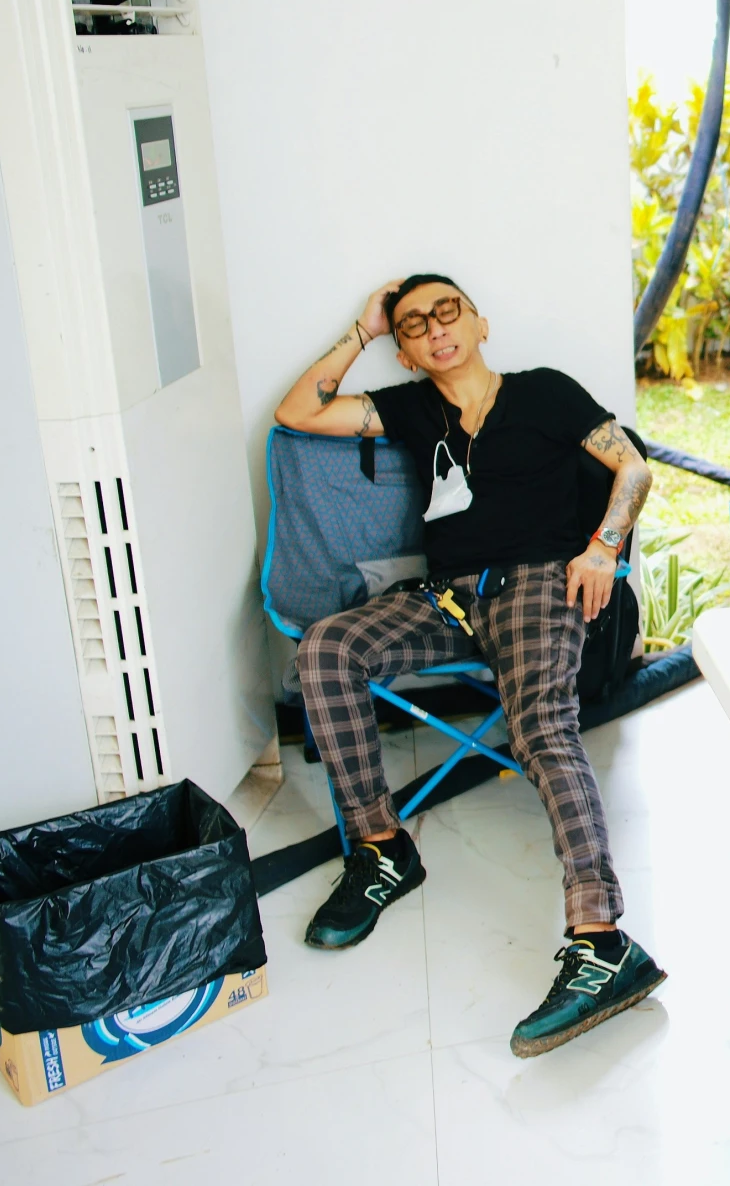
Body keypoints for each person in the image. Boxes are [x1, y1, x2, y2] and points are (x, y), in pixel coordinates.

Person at [273, 274, 663, 1058]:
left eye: (447, 311)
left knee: (542, 726)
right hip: (449, 598)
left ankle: (602, 940)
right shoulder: (412, 408)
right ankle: (383, 851)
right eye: (414, 324)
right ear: (407, 350)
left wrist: (602, 547)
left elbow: (634, 468)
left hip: (539, 584)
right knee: (325, 649)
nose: (434, 329)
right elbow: (299, 412)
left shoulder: (544, 392)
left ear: (480, 321)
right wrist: (362, 328)